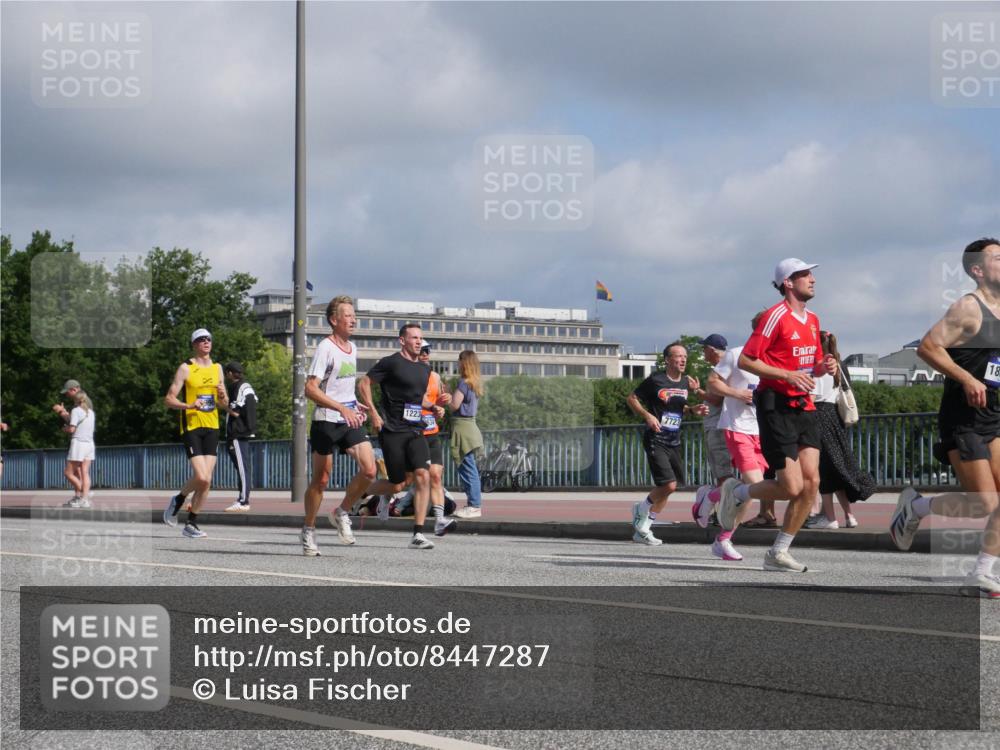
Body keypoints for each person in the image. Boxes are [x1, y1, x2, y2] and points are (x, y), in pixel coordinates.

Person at [890, 237, 1000, 598]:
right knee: (985, 503)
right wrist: (967, 378)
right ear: (977, 269)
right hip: (963, 420)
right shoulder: (968, 308)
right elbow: (928, 347)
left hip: (995, 417)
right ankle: (917, 506)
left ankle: (980, 572)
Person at [714, 259, 839, 572]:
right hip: (775, 406)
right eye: (804, 275)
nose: (812, 279)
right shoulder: (774, 316)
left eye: (811, 274)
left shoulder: (812, 319)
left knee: (812, 484)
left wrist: (822, 368)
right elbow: (747, 360)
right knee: (791, 488)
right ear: (788, 282)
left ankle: (778, 552)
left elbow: (805, 367)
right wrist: (785, 376)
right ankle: (738, 491)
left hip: (804, 406)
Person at [358, 323, 449, 549]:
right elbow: (364, 382)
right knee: (398, 484)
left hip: (415, 430)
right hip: (392, 431)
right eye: (414, 338)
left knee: (422, 475)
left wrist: (434, 406)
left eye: (421, 338)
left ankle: (417, 534)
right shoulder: (391, 363)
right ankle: (363, 491)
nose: (419, 342)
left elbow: (415, 399)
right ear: (402, 340)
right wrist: (374, 413)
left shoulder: (424, 370)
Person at [301, 296, 377, 556]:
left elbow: (341, 386)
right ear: (334, 320)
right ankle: (309, 529)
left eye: (354, 314)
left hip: (349, 418)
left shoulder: (352, 348)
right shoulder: (326, 348)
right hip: (326, 420)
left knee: (369, 470)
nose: (353, 319)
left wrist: (354, 403)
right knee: (321, 480)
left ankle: (342, 511)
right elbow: (310, 388)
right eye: (348, 315)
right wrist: (341, 408)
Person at [693, 312, 770, 561]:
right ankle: (723, 539)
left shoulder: (775, 358)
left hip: (763, 431)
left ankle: (711, 496)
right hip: (737, 427)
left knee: (757, 489)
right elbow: (713, 383)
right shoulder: (736, 354)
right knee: (754, 486)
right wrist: (737, 394)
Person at [628, 342, 708, 545]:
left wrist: (692, 410)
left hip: (674, 439)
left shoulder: (686, 383)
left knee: (671, 487)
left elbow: (679, 407)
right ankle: (641, 510)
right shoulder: (656, 379)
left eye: (685, 357)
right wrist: (647, 415)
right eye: (678, 356)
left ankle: (643, 530)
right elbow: (632, 398)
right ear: (667, 360)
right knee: (668, 485)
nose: (683, 360)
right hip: (656, 438)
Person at [804, 331, 875, 529]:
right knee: (839, 467)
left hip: (818, 417)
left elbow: (811, 398)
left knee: (824, 470)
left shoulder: (818, 365)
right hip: (835, 418)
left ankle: (829, 518)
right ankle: (849, 516)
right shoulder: (839, 365)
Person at [162, 328, 228, 538]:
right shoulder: (186, 368)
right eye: (201, 340)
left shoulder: (217, 368)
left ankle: (191, 523)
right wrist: (189, 405)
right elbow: (169, 399)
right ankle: (179, 499)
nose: (206, 342)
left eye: (208, 338)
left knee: (207, 480)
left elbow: (223, 403)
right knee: (201, 476)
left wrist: (223, 396)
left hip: (212, 426)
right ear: (194, 344)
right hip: (191, 426)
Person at [450, 349, 485, 519]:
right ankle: (474, 504)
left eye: (459, 360)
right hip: (471, 427)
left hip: (462, 428)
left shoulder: (463, 383)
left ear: (464, 363)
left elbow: (454, 405)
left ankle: (474, 505)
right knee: (471, 468)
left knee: (468, 469)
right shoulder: (475, 382)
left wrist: (446, 394)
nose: (457, 363)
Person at [698, 334, 734, 493]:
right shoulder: (728, 366)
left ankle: (725, 512)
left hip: (718, 426)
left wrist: (697, 391)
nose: (703, 352)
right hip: (719, 425)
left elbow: (717, 399)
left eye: (704, 348)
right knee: (721, 472)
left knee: (723, 473)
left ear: (712, 350)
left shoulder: (722, 370)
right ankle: (722, 510)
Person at [222, 361, 257, 513]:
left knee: (243, 468)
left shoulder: (238, 388)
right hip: (244, 431)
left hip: (238, 432)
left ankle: (243, 501)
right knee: (243, 467)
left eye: (226, 373)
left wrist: (221, 405)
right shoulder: (246, 386)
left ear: (230, 373)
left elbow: (236, 412)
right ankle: (242, 499)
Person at [54, 386, 96, 509]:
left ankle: (84, 494)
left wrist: (65, 429)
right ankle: (85, 500)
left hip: (79, 443)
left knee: (68, 473)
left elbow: (72, 429)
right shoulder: (91, 412)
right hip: (90, 444)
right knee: (85, 472)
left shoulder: (76, 411)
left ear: (76, 400)